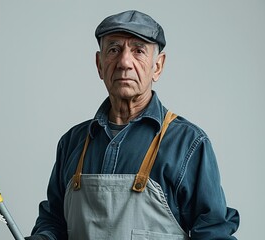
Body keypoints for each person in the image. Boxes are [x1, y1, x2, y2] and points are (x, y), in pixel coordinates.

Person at [25, 10, 240, 240]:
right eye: (114, 50)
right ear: (99, 64)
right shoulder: (72, 142)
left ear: (157, 66)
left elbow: (214, 233)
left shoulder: (188, 144)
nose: (124, 62)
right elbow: (53, 223)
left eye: (138, 51)